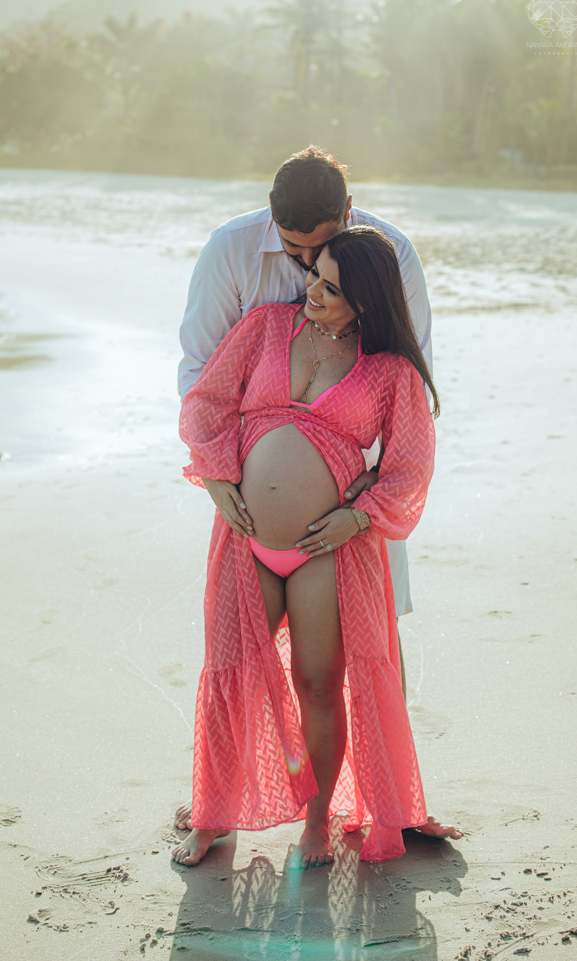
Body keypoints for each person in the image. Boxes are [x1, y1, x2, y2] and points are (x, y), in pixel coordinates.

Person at [174, 226, 463, 869]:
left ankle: (315, 821)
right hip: (244, 539)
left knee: (319, 685)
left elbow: (410, 468)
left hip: (325, 552)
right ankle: (212, 818)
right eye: (314, 275)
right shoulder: (263, 330)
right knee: (227, 677)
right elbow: (207, 403)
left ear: (367, 302)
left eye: (333, 288)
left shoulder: (389, 372)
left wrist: (357, 520)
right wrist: (218, 478)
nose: (314, 292)